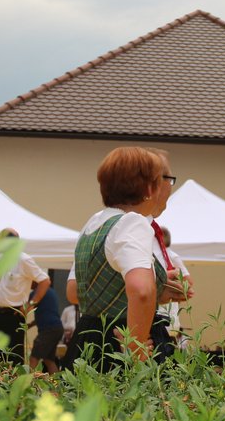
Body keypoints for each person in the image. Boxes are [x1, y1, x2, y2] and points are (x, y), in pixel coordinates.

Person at [65, 147, 186, 371]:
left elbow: (79, 289)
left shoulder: (96, 222)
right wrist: (135, 346)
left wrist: (159, 287)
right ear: (149, 188)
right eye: (161, 180)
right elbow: (141, 290)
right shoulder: (132, 223)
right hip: (119, 344)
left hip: (88, 337)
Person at [0, 229, 51, 364]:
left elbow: (45, 281)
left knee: (14, 356)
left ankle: (14, 378)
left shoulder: (23, 259)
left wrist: (31, 304)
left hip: (14, 315)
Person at [149, 224, 191, 361]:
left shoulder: (170, 255)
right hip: (158, 308)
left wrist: (172, 285)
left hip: (166, 309)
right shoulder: (154, 255)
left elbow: (188, 282)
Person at [29, 277, 65, 374]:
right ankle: (56, 382)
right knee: (49, 360)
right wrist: (30, 325)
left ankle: (27, 381)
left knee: (33, 358)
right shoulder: (51, 292)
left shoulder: (36, 293)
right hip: (57, 328)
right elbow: (46, 313)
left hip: (48, 330)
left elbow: (26, 308)